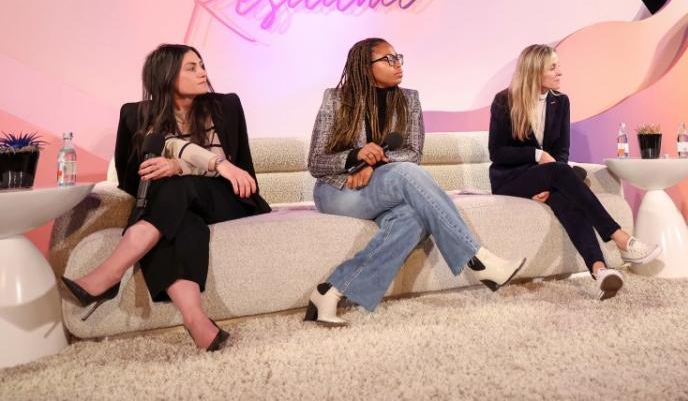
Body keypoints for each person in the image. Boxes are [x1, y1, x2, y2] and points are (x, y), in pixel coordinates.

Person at [60, 44, 271, 350]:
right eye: (192, 67)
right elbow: (134, 179)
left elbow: (229, 170)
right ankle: (198, 322)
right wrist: (173, 167)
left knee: (175, 186)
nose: (203, 72)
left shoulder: (225, 105)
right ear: (167, 75)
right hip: (173, 204)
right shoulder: (137, 115)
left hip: (230, 198)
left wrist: (180, 167)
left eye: (201, 65)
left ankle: (110, 272)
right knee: (179, 221)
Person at [307, 38, 525, 326]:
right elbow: (315, 161)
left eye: (398, 57)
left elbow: (412, 153)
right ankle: (478, 259)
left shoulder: (408, 99)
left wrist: (372, 163)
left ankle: (331, 291)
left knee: (414, 217)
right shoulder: (336, 99)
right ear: (365, 66)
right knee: (405, 174)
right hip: (338, 190)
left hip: (378, 184)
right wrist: (354, 157)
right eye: (388, 59)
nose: (397, 64)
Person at [488, 44, 660, 300]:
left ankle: (599, 270)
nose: (560, 72)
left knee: (566, 200)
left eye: (559, 66)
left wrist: (548, 182)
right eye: (553, 67)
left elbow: (562, 152)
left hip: (548, 177)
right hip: (510, 179)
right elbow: (497, 152)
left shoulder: (561, 102)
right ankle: (620, 238)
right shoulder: (505, 100)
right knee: (563, 174)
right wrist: (536, 155)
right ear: (535, 71)